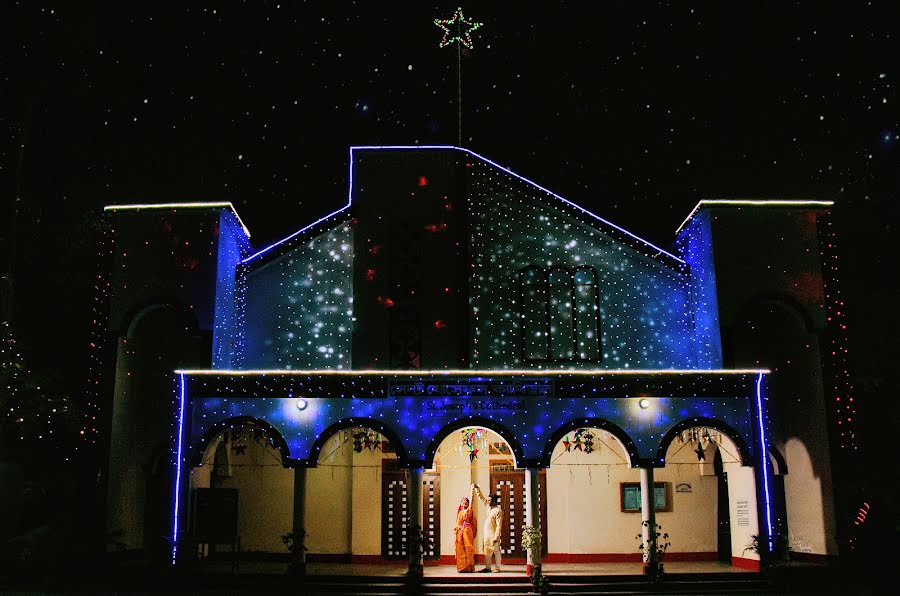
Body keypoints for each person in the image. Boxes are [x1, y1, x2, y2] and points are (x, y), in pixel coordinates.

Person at [473, 483, 503, 573]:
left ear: (494, 501)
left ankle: (497, 568)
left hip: (493, 534)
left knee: (496, 551)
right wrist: (477, 488)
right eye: (488, 500)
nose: (488, 501)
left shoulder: (498, 511)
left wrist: (496, 537)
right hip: (486, 533)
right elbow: (481, 498)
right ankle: (488, 567)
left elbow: (499, 525)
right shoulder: (488, 507)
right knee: (487, 551)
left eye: (490, 500)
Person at [453, 485, 477, 572]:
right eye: (462, 502)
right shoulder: (460, 512)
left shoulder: (469, 510)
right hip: (460, 532)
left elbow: (472, 501)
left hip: (467, 531)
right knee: (460, 549)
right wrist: (457, 528)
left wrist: (472, 490)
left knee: (468, 548)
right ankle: (462, 567)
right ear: (460, 503)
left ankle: (469, 567)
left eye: (466, 502)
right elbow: (457, 523)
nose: (464, 503)